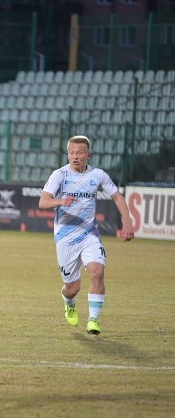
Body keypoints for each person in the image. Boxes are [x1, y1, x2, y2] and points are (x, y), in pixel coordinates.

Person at [38, 135, 134, 335]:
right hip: (65, 238)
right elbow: (43, 202)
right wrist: (60, 202)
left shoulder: (98, 175)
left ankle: (93, 320)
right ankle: (69, 302)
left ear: (88, 155)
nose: (75, 156)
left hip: (89, 234)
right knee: (72, 287)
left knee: (97, 271)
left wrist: (128, 222)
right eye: (72, 152)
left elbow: (117, 197)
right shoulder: (60, 175)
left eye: (79, 153)